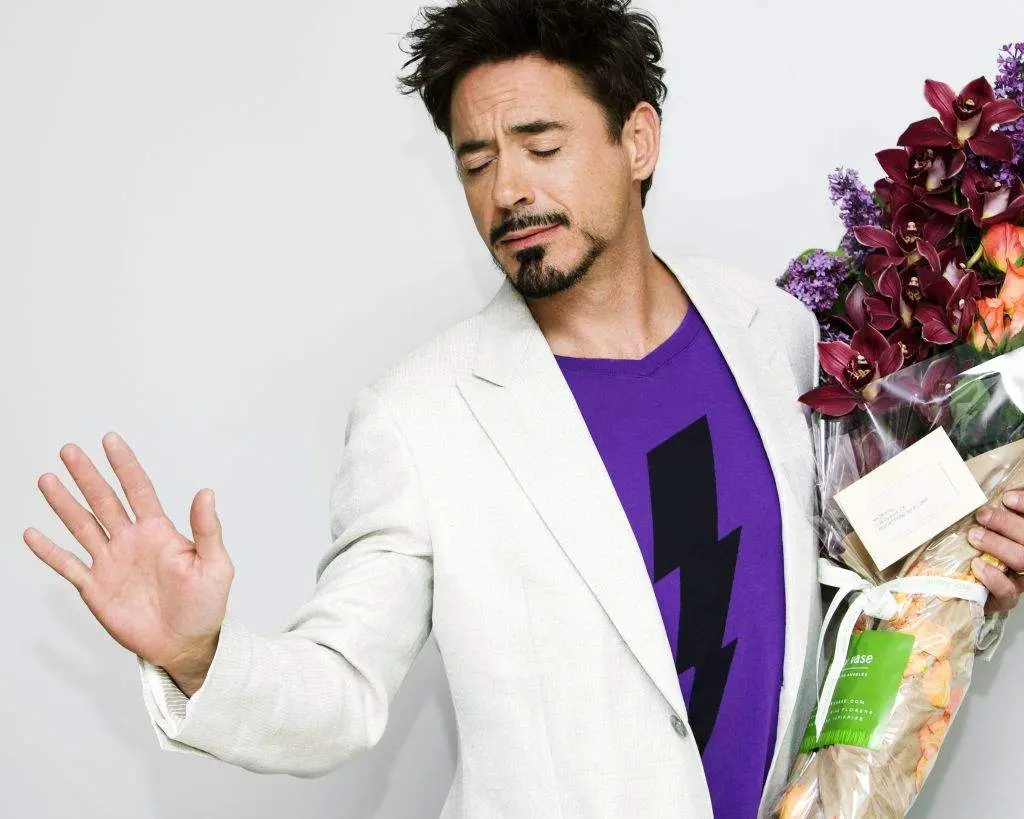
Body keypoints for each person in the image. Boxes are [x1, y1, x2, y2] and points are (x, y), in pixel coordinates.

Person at [23, 1, 1024, 817]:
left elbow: (836, 592)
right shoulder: (420, 416)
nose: (506, 189)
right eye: (475, 161)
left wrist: (965, 583)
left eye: (540, 144)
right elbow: (342, 688)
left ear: (637, 140)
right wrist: (199, 656)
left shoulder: (772, 329)